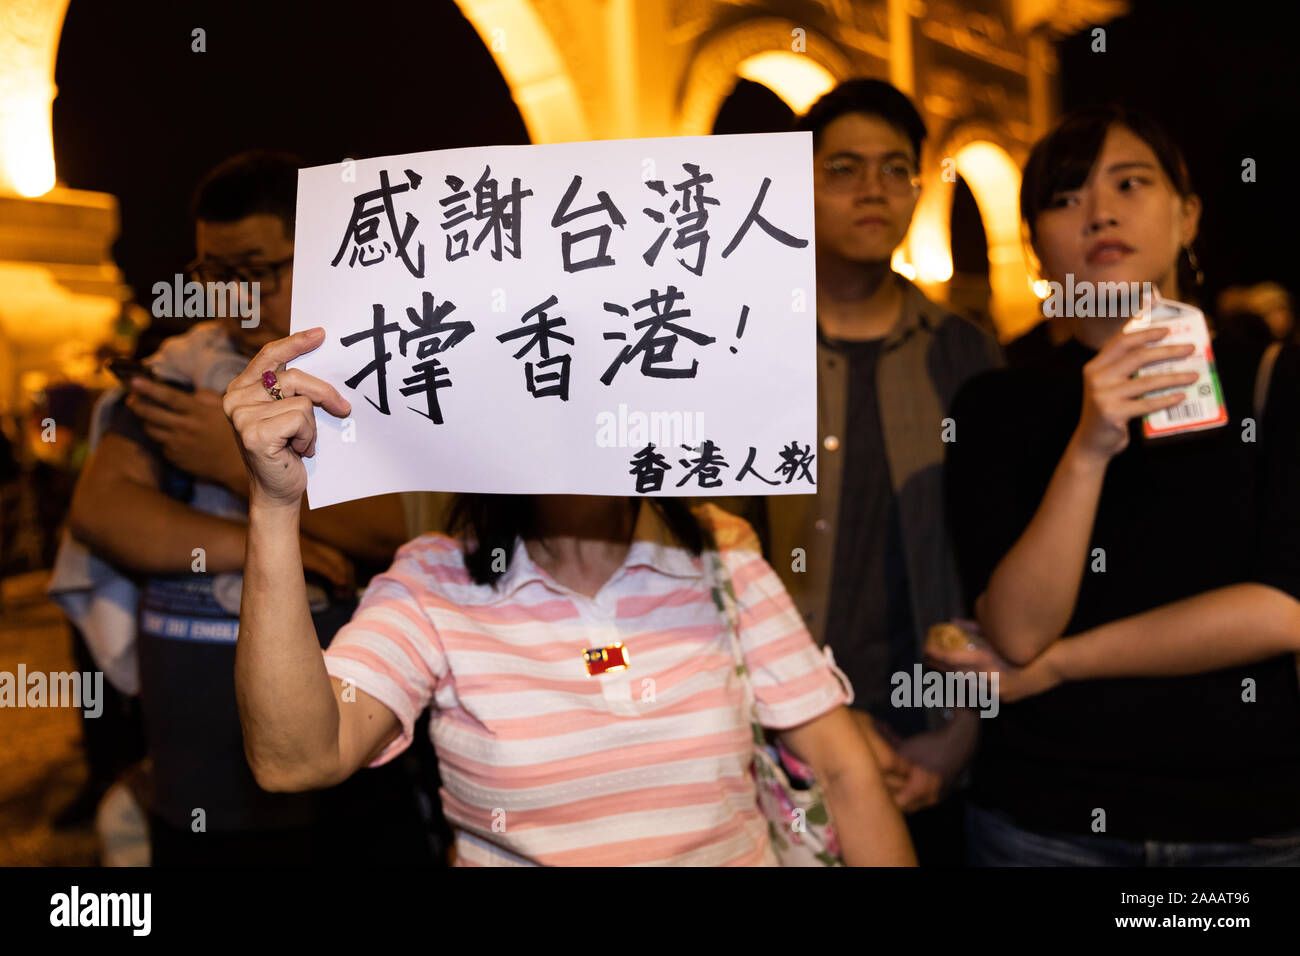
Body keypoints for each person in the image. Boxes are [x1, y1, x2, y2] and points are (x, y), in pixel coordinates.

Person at [220, 328, 918, 866]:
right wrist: (275, 507)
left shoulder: (720, 555)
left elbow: (841, 767)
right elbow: (297, 758)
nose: (578, 411)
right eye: (549, 383)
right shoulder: (436, 582)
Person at [942, 105, 1300, 865]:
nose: (1100, 212)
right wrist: (1088, 449)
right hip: (1044, 823)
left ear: (1189, 214)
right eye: (1065, 198)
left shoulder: (1270, 377)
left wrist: (1067, 664)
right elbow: (1017, 633)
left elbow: (1283, 609)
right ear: (1035, 244)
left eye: (1131, 184)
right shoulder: (993, 402)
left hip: (1250, 822)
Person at [67, 150, 434, 865]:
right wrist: (257, 542)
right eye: (213, 273)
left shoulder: (381, 368)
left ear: (323, 251)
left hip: (345, 758)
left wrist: (235, 468)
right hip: (196, 765)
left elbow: (405, 529)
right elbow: (106, 510)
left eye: (257, 271)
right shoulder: (177, 369)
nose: (232, 297)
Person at [760, 78, 1002, 863]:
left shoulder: (964, 354)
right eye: (844, 169)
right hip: (770, 751)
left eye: (897, 169)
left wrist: (957, 735)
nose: (875, 190)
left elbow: (991, 559)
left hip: (928, 743)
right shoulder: (742, 345)